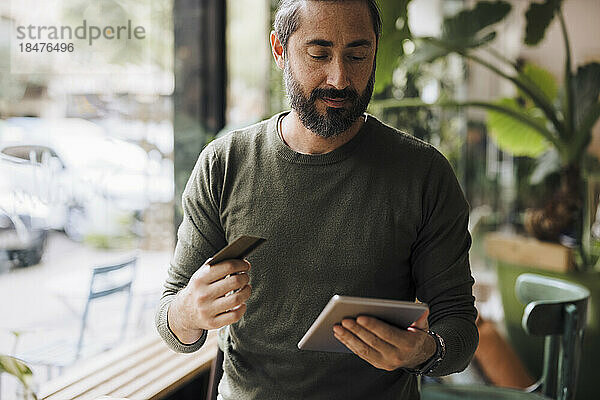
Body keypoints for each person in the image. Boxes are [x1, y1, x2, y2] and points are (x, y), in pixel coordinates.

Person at [156, 0, 478, 399]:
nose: (340, 78)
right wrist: (191, 310)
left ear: (376, 48)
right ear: (279, 50)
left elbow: (459, 327)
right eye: (318, 54)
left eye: (358, 55)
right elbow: (170, 320)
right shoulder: (225, 164)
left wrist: (423, 351)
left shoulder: (424, 174)